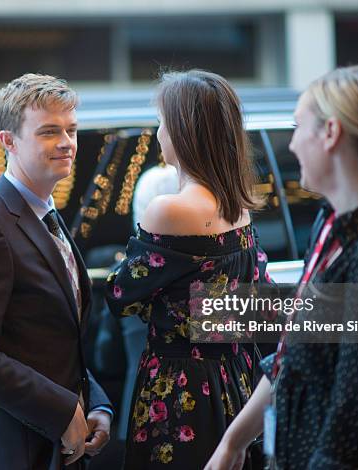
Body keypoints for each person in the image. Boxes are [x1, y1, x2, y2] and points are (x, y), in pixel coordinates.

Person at [206, 64, 358, 470]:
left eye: (298, 127)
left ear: (330, 133)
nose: (292, 144)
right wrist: (233, 442)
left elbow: (355, 416)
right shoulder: (333, 224)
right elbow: (295, 351)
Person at [0, 73, 113, 470]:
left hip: (57, 441)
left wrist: (96, 401)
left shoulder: (45, 213)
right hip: (11, 447)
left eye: (71, 130)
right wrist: (61, 408)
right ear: (9, 141)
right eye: (49, 132)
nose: (67, 142)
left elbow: (51, 340)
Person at [105, 70, 270, 469]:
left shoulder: (169, 209)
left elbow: (122, 296)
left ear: (182, 131)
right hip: (236, 377)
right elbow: (258, 304)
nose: (159, 132)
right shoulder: (238, 206)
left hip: (182, 386)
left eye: (162, 121)